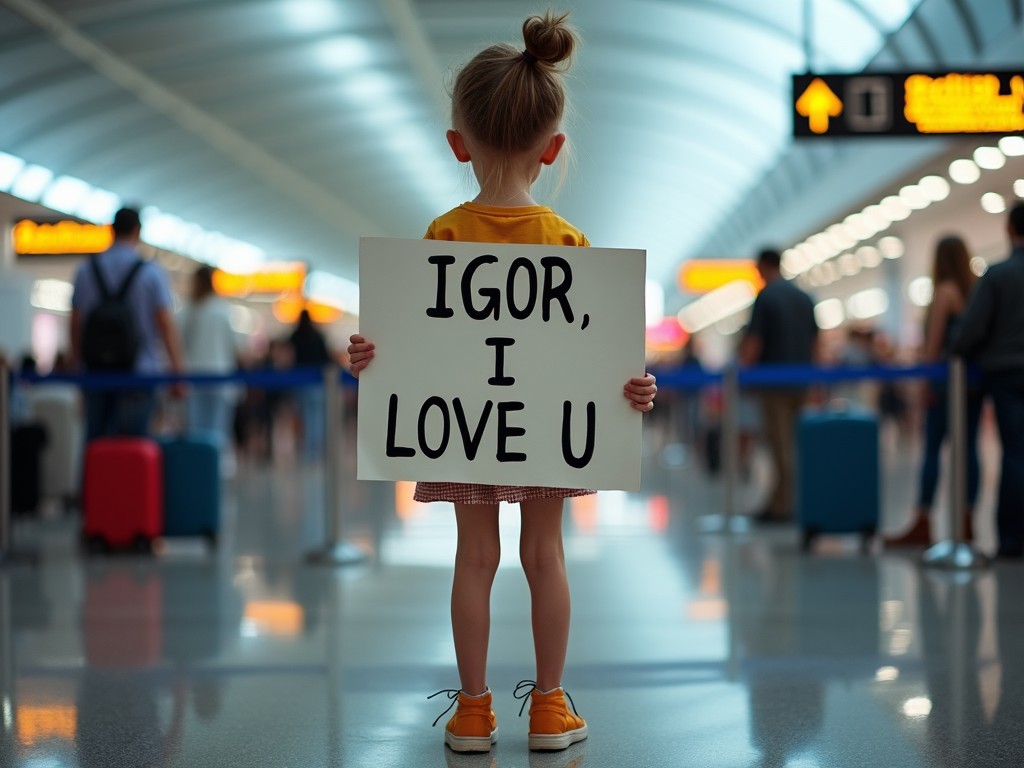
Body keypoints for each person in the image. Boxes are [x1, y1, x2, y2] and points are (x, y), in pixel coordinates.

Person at [346, 12, 657, 754]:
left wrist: (371, 360)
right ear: (552, 150)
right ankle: (549, 708)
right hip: (548, 429)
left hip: (464, 429)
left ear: (458, 144)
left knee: (474, 558)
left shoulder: (443, 239)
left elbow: (415, 343)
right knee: (545, 557)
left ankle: (473, 712)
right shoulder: (569, 245)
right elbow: (598, 357)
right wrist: (632, 390)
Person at [886, 235, 983, 548]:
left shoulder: (944, 292)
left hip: (943, 383)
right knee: (969, 450)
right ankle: (968, 520)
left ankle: (924, 518)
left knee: (931, 450)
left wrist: (924, 382)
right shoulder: (974, 290)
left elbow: (934, 345)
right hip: (971, 382)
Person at [70, 207, 184, 440]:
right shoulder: (151, 272)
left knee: (96, 442)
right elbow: (164, 323)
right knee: (133, 445)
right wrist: (176, 370)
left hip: (95, 372)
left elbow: (76, 322)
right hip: (140, 371)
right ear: (137, 231)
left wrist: (76, 364)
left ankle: (96, 478)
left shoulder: (85, 270)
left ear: (111, 230)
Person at [954, 202, 1024, 559]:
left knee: (1014, 453)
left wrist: (960, 350)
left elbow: (971, 330)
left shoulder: (997, 275)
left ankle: (1012, 539)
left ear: (1010, 229)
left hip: (1008, 373)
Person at [738, 248, 819, 524]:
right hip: (802, 380)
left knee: (779, 444)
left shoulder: (766, 296)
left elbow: (754, 342)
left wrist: (743, 375)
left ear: (763, 266)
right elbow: (815, 343)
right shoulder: (804, 297)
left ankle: (783, 504)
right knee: (798, 443)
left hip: (774, 383)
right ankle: (789, 498)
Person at [177, 265, 239, 449]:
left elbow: (178, 341)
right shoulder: (222, 310)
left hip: (194, 377)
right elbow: (234, 346)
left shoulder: (188, 310)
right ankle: (215, 468)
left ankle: (199, 467)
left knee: (195, 429)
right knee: (217, 430)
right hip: (220, 378)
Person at [288, 309, 332, 462]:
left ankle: (307, 451)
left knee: (305, 417)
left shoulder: (295, 336)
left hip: (301, 382)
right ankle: (315, 451)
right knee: (317, 418)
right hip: (318, 383)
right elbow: (326, 358)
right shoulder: (318, 336)